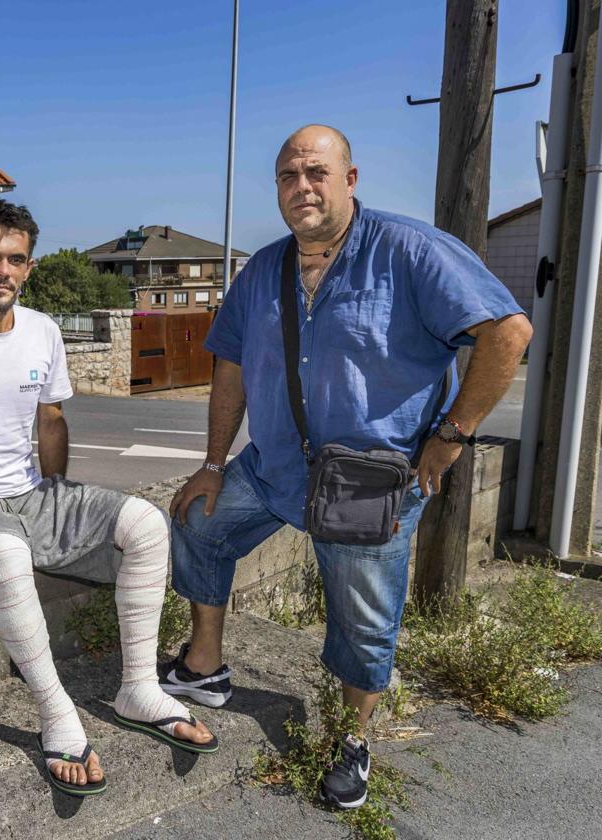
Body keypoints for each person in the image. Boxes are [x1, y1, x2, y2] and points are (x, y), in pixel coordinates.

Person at [161, 125, 532, 810]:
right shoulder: (263, 269)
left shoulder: (410, 251)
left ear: (349, 179)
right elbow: (231, 367)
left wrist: (452, 435)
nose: (301, 186)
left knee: (361, 619)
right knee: (199, 524)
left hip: (370, 483)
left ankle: (354, 739)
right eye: (287, 176)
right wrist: (214, 462)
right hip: (274, 471)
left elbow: (507, 331)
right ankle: (204, 666)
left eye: (315, 172)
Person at [0, 198, 215, 797]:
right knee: (8, 555)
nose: (2, 272)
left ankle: (138, 689)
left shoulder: (41, 331)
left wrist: (59, 504)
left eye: (14, 260)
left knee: (144, 523)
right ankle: (56, 713)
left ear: (29, 267)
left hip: (33, 492)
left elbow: (52, 423)